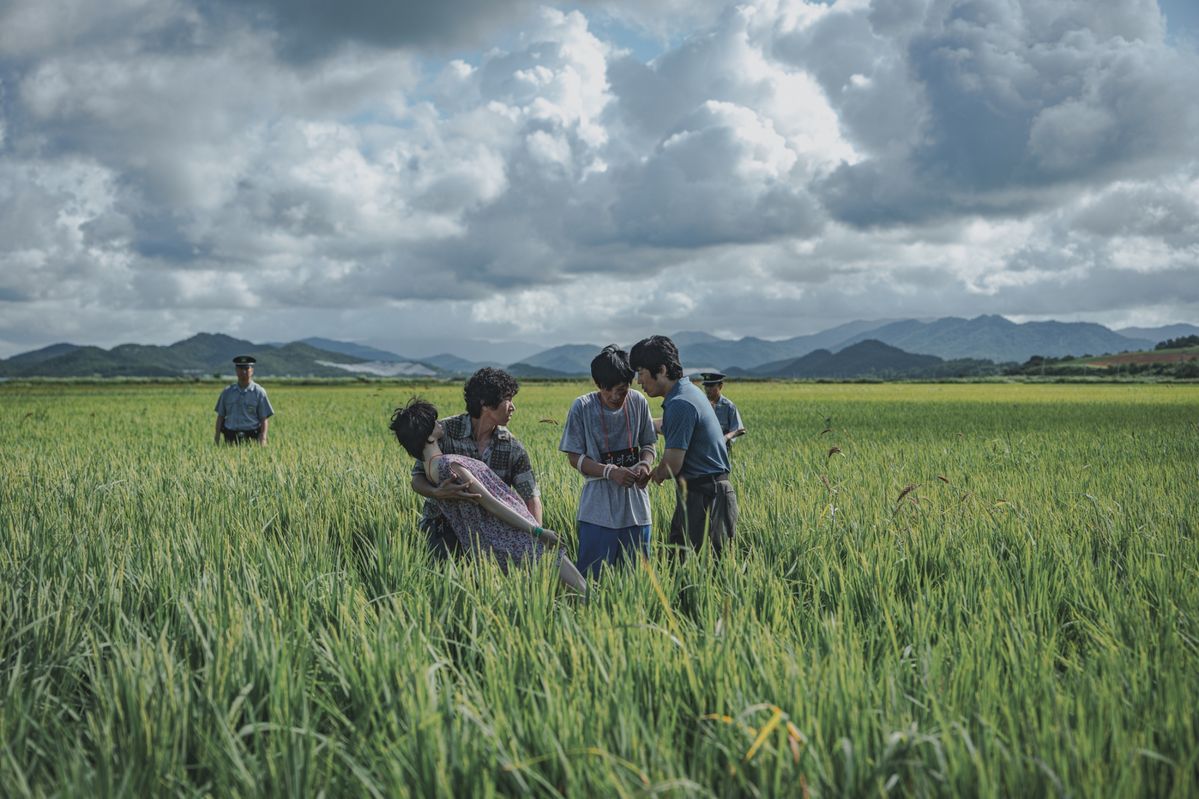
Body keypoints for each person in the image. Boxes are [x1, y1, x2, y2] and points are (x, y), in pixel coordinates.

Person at [391, 398, 587, 593]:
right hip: (511, 536)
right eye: (434, 423)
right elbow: (491, 503)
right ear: (428, 437)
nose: (439, 423)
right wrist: (537, 531)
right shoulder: (448, 465)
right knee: (581, 591)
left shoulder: (431, 468)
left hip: (499, 539)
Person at [409, 368, 541, 559]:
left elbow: (531, 496)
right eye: (507, 399)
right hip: (444, 529)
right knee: (444, 586)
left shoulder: (512, 447)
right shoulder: (442, 432)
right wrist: (436, 492)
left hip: (491, 534)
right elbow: (417, 478)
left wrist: (537, 538)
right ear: (485, 403)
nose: (513, 407)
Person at [630, 336, 738, 558]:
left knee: (695, 571)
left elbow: (671, 465)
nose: (638, 381)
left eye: (641, 373)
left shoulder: (680, 403)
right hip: (706, 493)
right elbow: (670, 426)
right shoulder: (687, 392)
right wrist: (638, 425)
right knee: (694, 569)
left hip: (705, 497)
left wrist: (652, 475)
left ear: (660, 370)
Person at [559, 345, 657, 578]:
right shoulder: (582, 407)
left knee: (635, 583)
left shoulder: (638, 402)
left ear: (630, 384)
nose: (614, 396)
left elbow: (648, 444)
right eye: (607, 390)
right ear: (597, 385)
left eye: (621, 390)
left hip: (636, 511)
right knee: (592, 583)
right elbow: (574, 457)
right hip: (597, 513)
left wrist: (645, 464)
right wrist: (610, 472)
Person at [214, 355, 273, 445]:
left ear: (252, 370)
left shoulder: (259, 392)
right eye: (240, 368)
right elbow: (220, 416)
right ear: (236, 370)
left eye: (246, 368)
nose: (243, 371)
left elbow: (263, 418)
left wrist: (263, 438)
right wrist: (217, 437)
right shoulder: (227, 392)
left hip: (252, 437)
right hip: (230, 437)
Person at [698, 372, 747, 451]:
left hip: (722, 449)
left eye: (711, 386)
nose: (707, 389)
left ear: (720, 386)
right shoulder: (700, 404)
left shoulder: (728, 406)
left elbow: (740, 430)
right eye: (706, 386)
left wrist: (727, 437)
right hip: (703, 449)